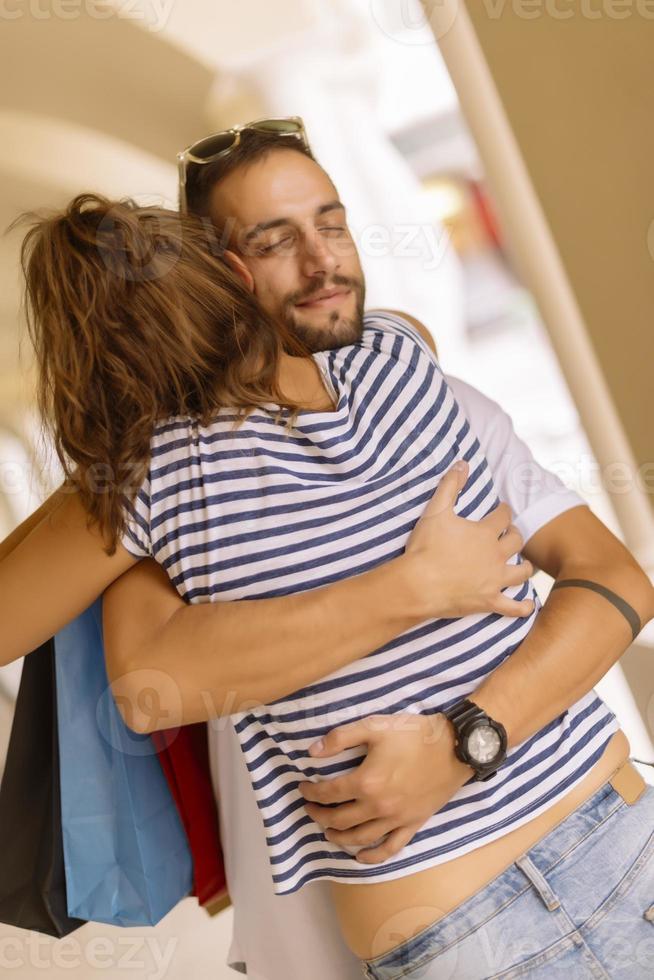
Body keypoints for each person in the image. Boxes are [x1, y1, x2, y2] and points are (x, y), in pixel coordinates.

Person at [0, 127, 651, 979]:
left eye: (332, 225)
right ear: (223, 277)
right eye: (274, 242)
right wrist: (416, 584)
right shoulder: (155, 472)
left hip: (568, 871)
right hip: (513, 899)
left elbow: (617, 579)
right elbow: (142, 686)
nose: (321, 262)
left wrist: (464, 741)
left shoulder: (378, 367)